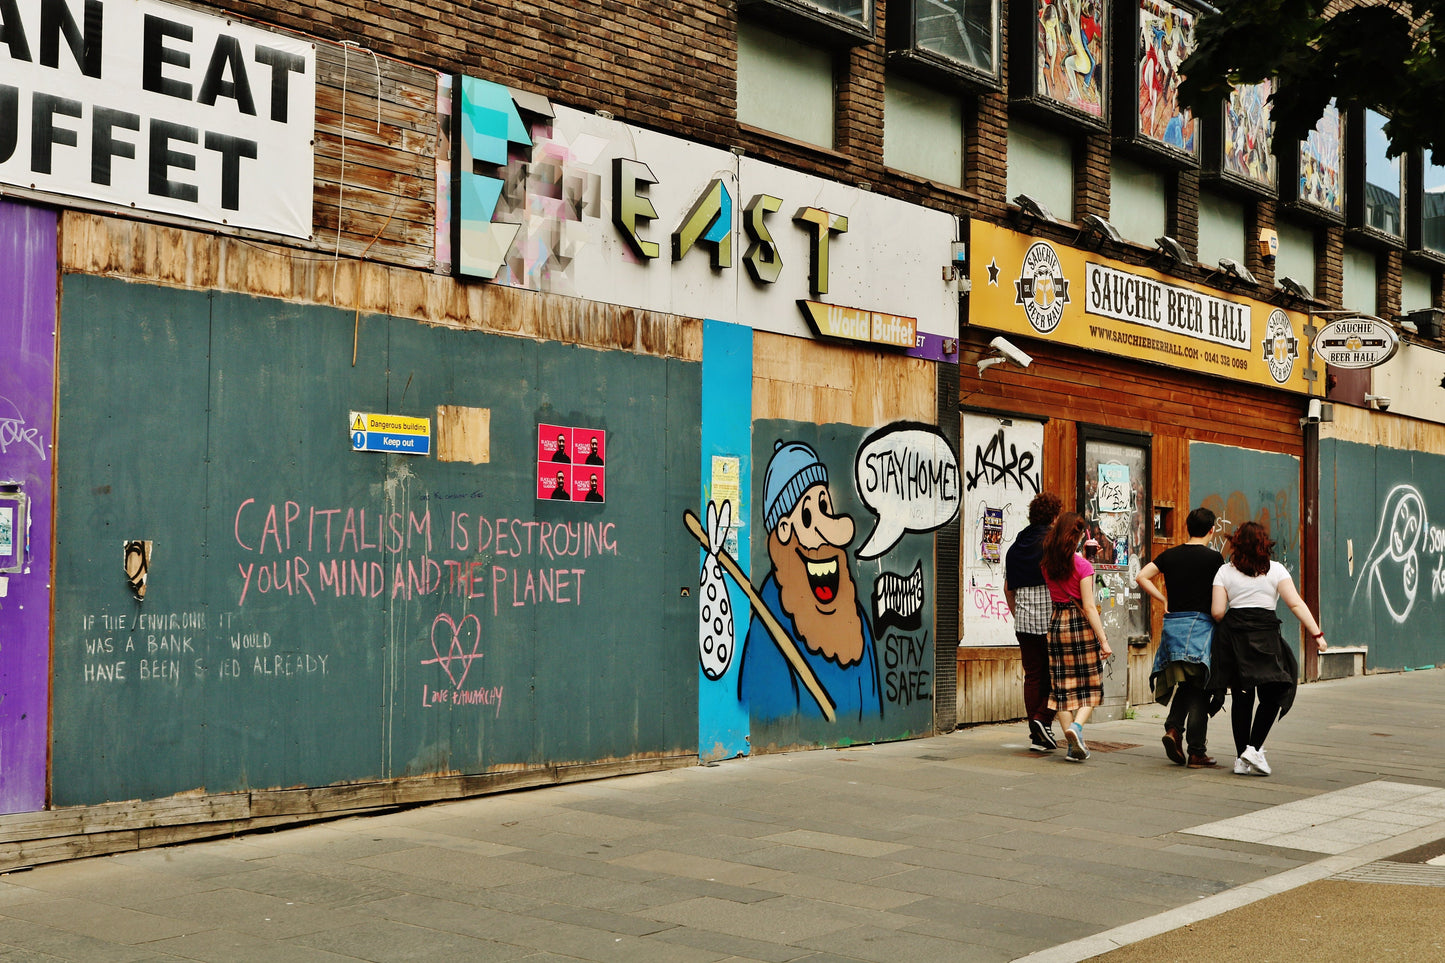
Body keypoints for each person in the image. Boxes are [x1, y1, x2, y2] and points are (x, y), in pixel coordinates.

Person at [737, 440, 882, 722]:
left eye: (825, 506)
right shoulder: (771, 618)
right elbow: (766, 712)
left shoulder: (852, 615)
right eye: (807, 514)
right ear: (784, 529)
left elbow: (872, 700)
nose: (826, 528)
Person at [1209, 521, 1327, 776]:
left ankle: (1243, 758)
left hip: (1235, 638)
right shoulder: (1276, 571)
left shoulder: (1224, 572)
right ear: (1265, 544)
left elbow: (1218, 612)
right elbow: (1295, 604)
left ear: (1236, 544)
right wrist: (1317, 634)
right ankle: (1253, 748)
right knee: (1275, 691)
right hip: (1266, 637)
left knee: (1242, 697)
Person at [1135, 507, 1225, 769]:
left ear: (1187, 527)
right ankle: (1196, 751)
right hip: (1201, 630)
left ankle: (1174, 730)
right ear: (1211, 530)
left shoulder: (1170, 555)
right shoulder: (1214, 559)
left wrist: (1163, 598)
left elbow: (1141, 576)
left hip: (1174, 629)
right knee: (1199, 688)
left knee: (1186, 683)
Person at [1041, 512, 1113, 761]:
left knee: (1061, 687)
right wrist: (1103, 639)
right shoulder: (1083, 566)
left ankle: (1073, 746)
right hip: (1079, 624)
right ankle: (1077, 727)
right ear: (1077, 535)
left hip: (1057, 623)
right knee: (1092, 683)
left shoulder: (1047, 564)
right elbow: (1089, 606)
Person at [1004, 491, 1063, 752]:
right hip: (1051, 619)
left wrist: (1018, 614)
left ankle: (1036, 733)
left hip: (1024, 622)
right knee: (1058, 675)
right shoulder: (1052, 542)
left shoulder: (1015, 547)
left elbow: (1008, 588)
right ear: (1054, 516)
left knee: (1033, 676)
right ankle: (1042, 718)